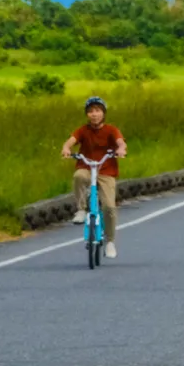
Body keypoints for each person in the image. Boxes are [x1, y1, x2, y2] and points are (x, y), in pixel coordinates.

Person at [60, 96, 127, 259]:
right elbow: (69, 142)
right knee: (78, 176)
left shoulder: (111, 130)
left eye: (97, 111)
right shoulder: (83, 130)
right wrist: (66, 149)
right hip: (87, 167)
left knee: (109, 208)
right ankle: (81, 209)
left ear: (103, 113)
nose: (94, 114)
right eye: (90, 111)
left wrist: (121, 150)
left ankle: (110, 242)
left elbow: (121, 142)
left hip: (106, 171)